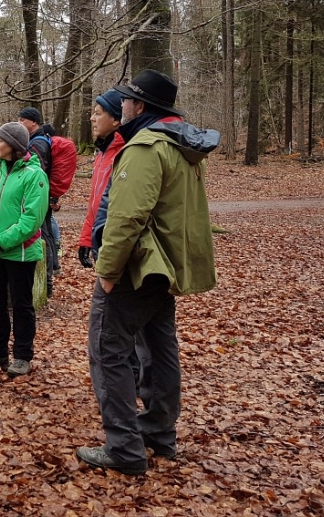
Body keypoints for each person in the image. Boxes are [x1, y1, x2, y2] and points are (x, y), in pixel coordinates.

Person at [76, 69, 219, 476]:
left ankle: (124, 448)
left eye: (125, 100)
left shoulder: (145, 147)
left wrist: (107, 271)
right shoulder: (182, 145)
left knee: (108, 352)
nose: (121, 105)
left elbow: (126, 217)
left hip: (137, 269)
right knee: (159, 348)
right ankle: (159, 433)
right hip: (164, 268)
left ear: (139, 106)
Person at [0, 122, 49, 378]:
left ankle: (23, 355)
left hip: (20, 253)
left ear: (14, 145)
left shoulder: (34, 176)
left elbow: (31, 220)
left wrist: (0, 241)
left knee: (22, 305)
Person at [77, 89, 124, 268]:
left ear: (116, 120)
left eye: (98, 113)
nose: (92, 118)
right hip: (100, 238)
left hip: (115, 242)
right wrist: (87, 238)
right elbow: (95, 201)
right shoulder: (102, 153)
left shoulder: (125, 153)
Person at [17, 107, 59, 294]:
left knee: (43, 235)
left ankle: (46, 281)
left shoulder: (38, 144)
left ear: (33, 122)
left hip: (39, 197)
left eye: (22, 120)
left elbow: (37, 173)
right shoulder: (36, 140)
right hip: (41, 196)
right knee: (45, 233)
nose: (19, 123)